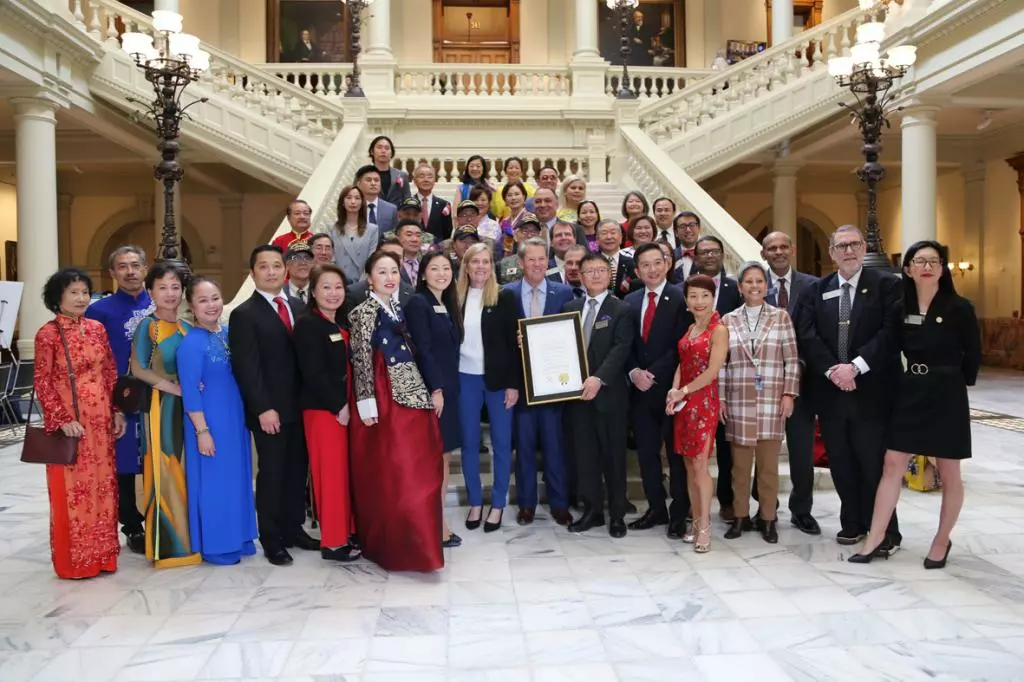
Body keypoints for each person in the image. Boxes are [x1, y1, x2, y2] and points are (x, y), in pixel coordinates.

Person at [849, 241, 980, 567]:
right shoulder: (900, 308)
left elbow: (973, 354)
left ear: (942, 268)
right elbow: (886, 346)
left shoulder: (959, 307)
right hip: (911, 390)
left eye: (935, 261)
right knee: (893, 463)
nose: (927, 266)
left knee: (949, 470)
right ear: (907, 268)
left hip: (946, 391)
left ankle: (941, 539)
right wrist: (856, 367)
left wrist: (953, 380)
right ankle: (876, 536)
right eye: (919, 260)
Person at [797, 225, 903, 552]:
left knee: (873, 462)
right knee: (840, 461)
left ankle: (884, 529)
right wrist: (832, 370)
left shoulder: (887, 285)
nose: (848, 251)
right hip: (831, 393)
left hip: (872, 391)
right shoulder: (818, 290)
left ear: (862, 248)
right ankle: (852, 522)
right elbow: (807, 334)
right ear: (831, 253)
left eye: (854, 244)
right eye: (841, 246)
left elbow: (890, 332)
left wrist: (855, 366)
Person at [348, 250, 444, 572]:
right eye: (382, 272)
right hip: (386, 398)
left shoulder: (399, 308)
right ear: (369, 277)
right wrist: (366, 403)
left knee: (421, 471)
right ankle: (399, 546)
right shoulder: (362, 312)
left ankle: (422, 543)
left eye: (394, 271)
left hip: (412, 393)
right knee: (398, 474)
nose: (390, 278)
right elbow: (361, 359)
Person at [230, 245, 317, 566]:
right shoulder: (244, 314)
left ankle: (293, 528)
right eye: (263, 267)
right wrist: (263, 408)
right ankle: (270, 538)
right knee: (272, 474)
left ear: (286, 271)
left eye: (276, 266)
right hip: (269, 411)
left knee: (297, 472)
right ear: (253, 273)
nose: (271, 272)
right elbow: (246, 367)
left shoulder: (298, 306)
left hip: (301, 407)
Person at [35, 268, 124, 579]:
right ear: (57, 297)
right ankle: (75, 562)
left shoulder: (97, 328)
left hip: (101, 420)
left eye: (85, 292)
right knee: (74, 492)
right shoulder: (48, 334)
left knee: (104, 488)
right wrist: (61, 419)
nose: (82, 297)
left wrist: (117, 410)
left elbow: (110, 372)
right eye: (74, 292)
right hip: (71, 425)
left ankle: (102, 557)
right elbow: (42, 382)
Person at [177, 277, 258, 565]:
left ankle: (239, 537)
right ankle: (217, 545)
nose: (211, 305)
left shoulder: (226, 333)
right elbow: (190, 391)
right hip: (209, 423)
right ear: (191, 307)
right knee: (214, 484)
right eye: (203, 300)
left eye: (215, 298)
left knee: (236, 480)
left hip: (234, 420)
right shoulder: (191, 344)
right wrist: (202, 431)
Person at [719, 262, 800, 544]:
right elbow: (721, 364)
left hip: (770, 400)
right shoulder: (728, 320)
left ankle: (768, 519)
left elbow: (791, 360)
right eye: (748, 282)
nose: (754, 286)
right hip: (738, 399)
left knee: (768, 468)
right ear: (740, 287)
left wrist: (789, 394)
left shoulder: (781, 318)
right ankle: (739, 516)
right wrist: (721, 399)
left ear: (767, 285)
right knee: (739, 468)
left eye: (759, 281)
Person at [84, 246, 152, 554]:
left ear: (145, 269)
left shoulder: (159, 302)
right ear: (112, 273)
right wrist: (111, 407)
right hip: (121, 398)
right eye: (122, 267)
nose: (130, 271)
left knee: (157, 457)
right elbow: (93, 361)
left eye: (135, 265)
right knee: (125, 462)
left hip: (159, 394)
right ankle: (132, 525)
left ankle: (159, 517)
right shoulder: (100, 311)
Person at [131, 262, 199, 568]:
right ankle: (168, 546)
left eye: (175, 287)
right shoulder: (149, 327)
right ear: (150, 292)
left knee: (186, 470)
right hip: (161, 407)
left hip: (188, 408)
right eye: (162, 287)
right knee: (164, 470)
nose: (170, 294)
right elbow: (137, 368)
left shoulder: (186, 327)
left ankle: (190, 539)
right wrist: (173, 389)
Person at [564, 253, 635, 537]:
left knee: (614, 457)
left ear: (610, 275)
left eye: (600, 270)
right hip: (577, 397)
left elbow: (621, 349)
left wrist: (599, 378)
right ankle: (592, 511)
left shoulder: (622, 309)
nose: (595, 275)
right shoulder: (571, 307)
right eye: (589, 271)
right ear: (580, 276)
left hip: (610, 396)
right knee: (586, 456)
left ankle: (617, 514)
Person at [294, 264, 361, 562]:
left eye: (338, 287)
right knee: (330, 475)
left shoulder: (341, 322)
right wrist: (338, 405)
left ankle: (346, 531)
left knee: (344, 475)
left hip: (346, 409)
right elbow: (313, 372)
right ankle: (332, 542)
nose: (333, 293)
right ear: (313, 292)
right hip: (324, 411)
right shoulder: (309, 324)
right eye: (326, 287)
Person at [626, 243, 692, 537]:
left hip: (671, 390)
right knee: (647, 453)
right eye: (645, 265)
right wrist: (633, 372)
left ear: (666, 264)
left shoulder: (681, 298)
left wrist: (653, 373)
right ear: (637, 270)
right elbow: (623, 344)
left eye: (657, 263)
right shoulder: (629, 300)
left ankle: (680, 513)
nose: (651, 269)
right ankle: (656, 509)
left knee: (676, 456)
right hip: (639, 392)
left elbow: (682, 344)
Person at [509, 237, 575, 526]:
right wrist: (515, 342)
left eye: (541, 259)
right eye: (531, 259)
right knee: (523, 448)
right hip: (522, 385)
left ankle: (560, 503)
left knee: (555, 447)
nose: (537, 264)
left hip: (554, 385)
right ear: (521, 263)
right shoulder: (506, 294)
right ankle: (526, 504)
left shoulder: (564, 292)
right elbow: (499, 339)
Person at [456, 242, 520, 533]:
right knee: (469, 444)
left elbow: (514, 346)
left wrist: (513, 384)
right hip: (464, 378)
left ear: (492, 266)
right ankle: (475, 502)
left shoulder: (504, 298)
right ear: (466, 266)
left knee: (502, 444)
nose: (480, 266)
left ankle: (497, 504)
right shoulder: (454, 298)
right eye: (475, 262)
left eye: (485, 261)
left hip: (498, 381)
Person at [762, 231, 822, 535]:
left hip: (802, 383)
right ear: (764, 254)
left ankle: (802, 510)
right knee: (764, 452)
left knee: (800, 452)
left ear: (793, 249)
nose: (778, 252)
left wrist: (798, 368)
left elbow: (816, 334)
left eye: (784, 246)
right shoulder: (753, 285)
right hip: (763, 385)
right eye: (772, 248)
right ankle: (766, 509)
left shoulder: (812, 285)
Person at [666, 274, 729, 552]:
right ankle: (694, 522)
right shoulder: (690, 329)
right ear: (686, 300)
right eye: (693, 296)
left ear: (712, 298)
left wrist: (684, 391)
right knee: (689, 466)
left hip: (704, 403)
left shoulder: (719, 330)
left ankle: (705, 526)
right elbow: (683, 363)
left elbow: (713, 371)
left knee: (701, 466)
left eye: (704, 295)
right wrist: (673, 391)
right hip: (684, 402)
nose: (699, 301)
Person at [406, 252, 464, 549]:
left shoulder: (445, 303)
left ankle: (438, 521)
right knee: (436, 461)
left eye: (446, 268)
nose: (441, 273)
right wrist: (436, 389)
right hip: (437, 393)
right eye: (434, 268)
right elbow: (423, 350)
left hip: (450, 391)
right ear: (423, 273)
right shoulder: (419, 303)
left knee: (444, 460)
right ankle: (435, 526)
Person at [693, 235, 741, 522]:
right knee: (695, 445)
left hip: (728, 376)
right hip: (695, 376)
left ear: (723, 254)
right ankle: (693, 501)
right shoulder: (688, 289)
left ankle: (726, 499)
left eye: (714, 251)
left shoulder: (735, 288)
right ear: (695, 256)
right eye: (703, 252)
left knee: (725, 445)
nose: (709, 256)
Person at [341, 237, 415, 321]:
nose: (392, 260)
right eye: (387, 255)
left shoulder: (410, 292)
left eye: (398, 257)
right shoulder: (354, 294)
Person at [331, 184, 379, 284]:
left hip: (362, 284)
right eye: (349, 198)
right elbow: (331, 259)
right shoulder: (332, 228)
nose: (353, 202)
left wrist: (361, 283)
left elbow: (371, 259)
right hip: (337, 282)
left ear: (362, 202)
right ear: (342, 202)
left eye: (357, 198)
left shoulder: (372, 229)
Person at [414, 163, 454, 243]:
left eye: (430, 177)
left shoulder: (444, 205)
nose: (426, 179)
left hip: (437, 250)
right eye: (422, 176)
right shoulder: (408, 204)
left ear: (434, 181)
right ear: (415, 181)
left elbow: (447, 233)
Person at [498, 212, 543, 284]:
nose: (529, 235)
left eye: (534, 231)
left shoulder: (546, 263)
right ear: (515, 236)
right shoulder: (502, 264)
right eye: (525, 231)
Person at [596, 218, 636, 298]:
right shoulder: (590, 262)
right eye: (604, 233)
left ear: (621, 237)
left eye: (613, 233)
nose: (609, 237)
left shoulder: (632, 263)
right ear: (597, 239)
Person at [368, 135, 411, 206]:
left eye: (387, 148)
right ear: (372, 151)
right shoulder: (363, 174)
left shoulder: (402, 175)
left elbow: (407, 199)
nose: (383, 151)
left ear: (391, 153)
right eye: (379, 147)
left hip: (396, 215)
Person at [356, 165, 398, 236]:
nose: (373, 183)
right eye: (368, 180)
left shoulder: (391, 209)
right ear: (359, 184)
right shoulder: (354, 206)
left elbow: (394, 234)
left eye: (376, 180)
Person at [498, 181, 529, 258]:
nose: (513, 198)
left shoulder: (530, 219)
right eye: (509, 195)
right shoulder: (504, 221)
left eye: (517, 194)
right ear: (505, 199)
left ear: (524, 196)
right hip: (507, 261)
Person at [395, 218, 426, 286]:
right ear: (397, 238)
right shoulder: (392, 264)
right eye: (409, 235)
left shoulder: (425, 265)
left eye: (418, 235)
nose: (415, 239)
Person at [673, 211, 702, 279]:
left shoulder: (709, 256)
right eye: (683, 226)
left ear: (699, 229)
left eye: (692, 225)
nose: (688, 230)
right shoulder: (670, 256)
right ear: (676, 232)